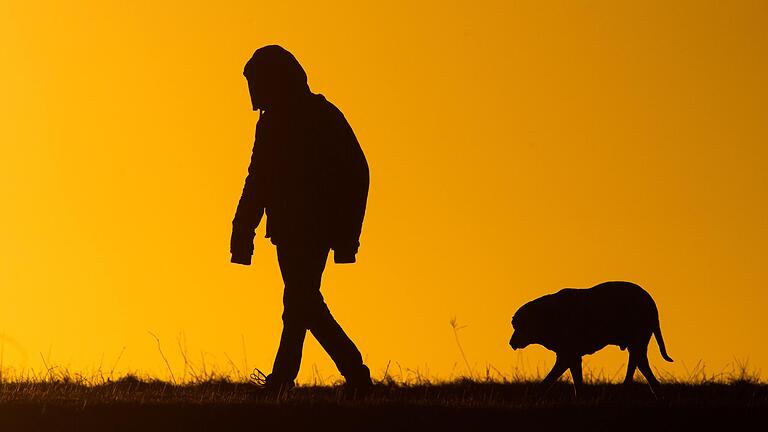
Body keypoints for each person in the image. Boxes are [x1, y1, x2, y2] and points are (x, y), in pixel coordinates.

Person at [230, 45, 372, 395]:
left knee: (301, 302)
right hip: (287, 230)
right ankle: (303, 379)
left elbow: (357, 173)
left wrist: (346, 235)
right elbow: (259, 178)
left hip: (315, 229)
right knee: (300, 303)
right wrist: (242, 229)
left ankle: (344, 373)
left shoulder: (321, 116)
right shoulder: (271, 123)